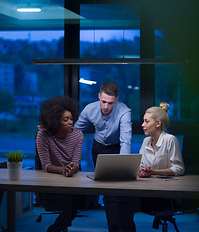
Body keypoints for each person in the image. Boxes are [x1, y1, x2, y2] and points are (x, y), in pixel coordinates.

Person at [74, 81, 133, 232]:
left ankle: (128, 229)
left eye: (111, 103)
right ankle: (113, 228)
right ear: (99, 96)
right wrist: (52, 129)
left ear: (117, 99)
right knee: (107, 191)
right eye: (104, 101)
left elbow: (126, 140)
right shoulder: (90, 109)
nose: (106, 107)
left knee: (122, 191)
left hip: (117, 148)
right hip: (99, 148)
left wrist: (123, 166)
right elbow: (74, 131)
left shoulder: (124, 111)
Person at [36, 96, 84, 232]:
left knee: (77, 202)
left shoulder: (78, 135)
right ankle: (57, 228)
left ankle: (56, 228)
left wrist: (73, 168)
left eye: (71, 118)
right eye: (65, 120)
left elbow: (76, 161)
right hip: (51, 180)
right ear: (55, 121)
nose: (71, 122)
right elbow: (46, 165)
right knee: (70, 204)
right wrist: (63, 170)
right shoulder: (43, 135)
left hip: (71, 180)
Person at [138, 102, 185, 213]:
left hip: (166, 191)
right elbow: (140, 165)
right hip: (149, 188)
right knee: (122, 200)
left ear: (158, 123)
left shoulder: (170, 140)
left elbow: (179, 168)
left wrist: (153, 172)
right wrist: (141, 171)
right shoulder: (146, 141)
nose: (142, 125)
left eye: (146, 121)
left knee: (128, 203)